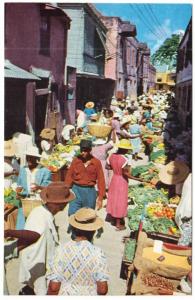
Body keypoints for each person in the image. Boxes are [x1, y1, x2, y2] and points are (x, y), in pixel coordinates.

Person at [4, 181, 75, 295]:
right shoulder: (39, 213)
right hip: (37, 263)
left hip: (43, 261)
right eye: (65, 203)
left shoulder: (47, 213)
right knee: (41, 290)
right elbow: (33, 234)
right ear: (59, 204)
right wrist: (9, 232)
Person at [47, 207, 109, 295]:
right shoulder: (98, 253)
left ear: (73, 228)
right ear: (93, 231)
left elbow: (54, 287)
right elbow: (102, 289)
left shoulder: (61, 250)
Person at [106, 139, 143, 230]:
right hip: (121, 181)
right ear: (125, 149)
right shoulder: (124, 159)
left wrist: (115, 168)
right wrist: (138, 179)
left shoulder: (112, 156)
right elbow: (125, 173)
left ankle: (113, 218)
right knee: (120, 201)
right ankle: (119, 224)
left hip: (114, 179)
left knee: (114, 198)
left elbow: (107, 166)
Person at [65, 139, 106, 217]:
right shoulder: (76, 160)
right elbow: (69, 176)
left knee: (88, 215)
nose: (83, 153)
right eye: (82, 150)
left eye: (85, 151)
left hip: (90, 191)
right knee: (73, 213)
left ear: (90, 150)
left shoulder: (96, 162)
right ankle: (73, 229)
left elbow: (101, 180)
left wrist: (100, 197)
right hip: (76, 190)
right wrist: (66, 190)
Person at [16, 146, 52, 229]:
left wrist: (39, 187)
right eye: (27, 157)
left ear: (36, 158)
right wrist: (18, 191)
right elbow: (19, 185)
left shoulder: (44, 170)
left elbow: (49, 187)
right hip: (25, 201)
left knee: (38, 224)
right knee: (24, 224)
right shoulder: (23, 170)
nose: (28, 159)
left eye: (31, 157)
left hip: (38, 201)